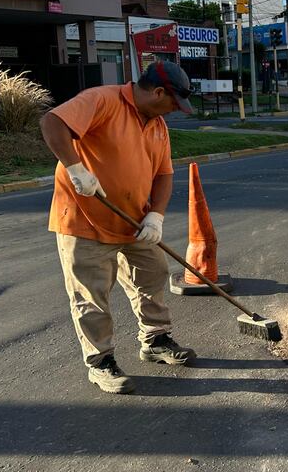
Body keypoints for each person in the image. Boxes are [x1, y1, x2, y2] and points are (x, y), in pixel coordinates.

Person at [40, 61, 197, 394]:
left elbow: (164, 174)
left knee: (153, 273)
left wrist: (156, 215)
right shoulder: (102, 100)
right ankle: (100, 363)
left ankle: (155, 340)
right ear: (158, 92)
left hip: (134, 222)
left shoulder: (156, 124)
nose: (173, 112)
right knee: (91, 296)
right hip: (84, 221)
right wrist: (76, 168)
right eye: (173, 104)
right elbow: (52, 122)